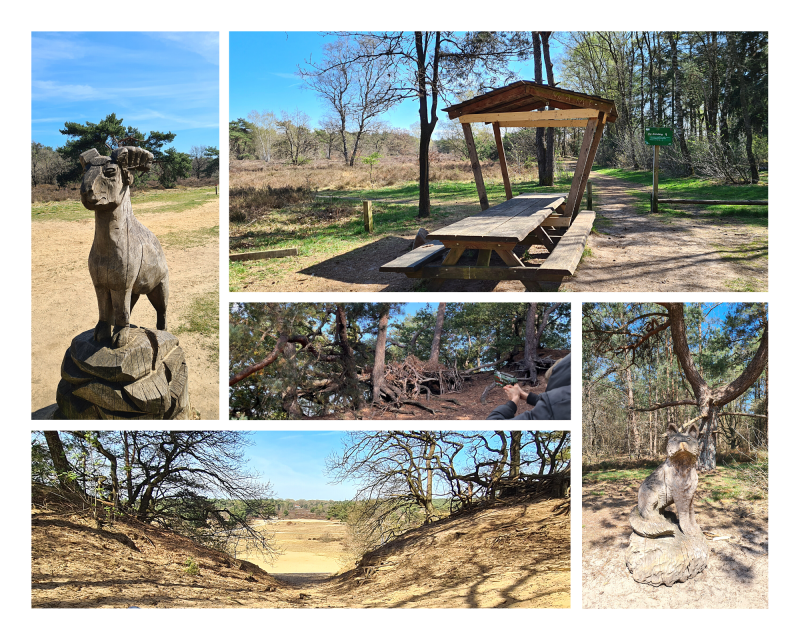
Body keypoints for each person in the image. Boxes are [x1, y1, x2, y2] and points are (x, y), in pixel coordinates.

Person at [487, 353, 571, 420]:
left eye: (548, 383)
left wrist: (513, 401)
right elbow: (556, 402)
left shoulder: (553, 409)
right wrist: (525, 395)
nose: (545, 386)